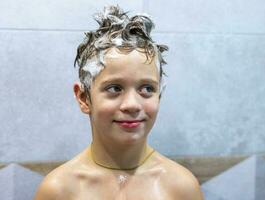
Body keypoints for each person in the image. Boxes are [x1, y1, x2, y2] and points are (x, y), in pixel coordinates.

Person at [34, 5, 204, 200]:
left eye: (147, 89)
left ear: (160, 95)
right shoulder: (58, 190)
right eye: (114, 88)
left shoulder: (181, 187)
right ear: (83, 98)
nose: (132, 104)